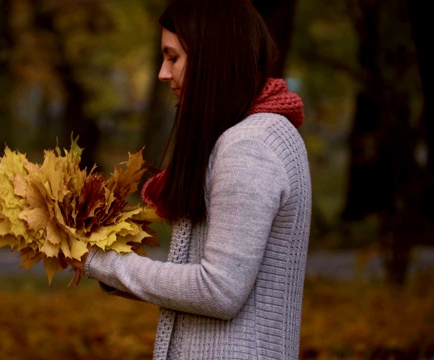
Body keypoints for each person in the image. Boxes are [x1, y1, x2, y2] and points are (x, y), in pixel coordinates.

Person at [69, 0, 312, 358]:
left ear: (212, 57)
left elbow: (219, 290)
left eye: (174, 57)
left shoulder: (249, 146)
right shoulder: (258, 134)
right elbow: (217, 282)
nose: (163, 74)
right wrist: (110, 272)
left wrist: (97, 261)